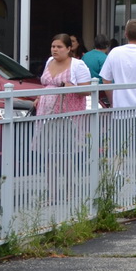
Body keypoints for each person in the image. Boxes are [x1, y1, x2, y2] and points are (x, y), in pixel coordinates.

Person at [34, 34, 93, 202]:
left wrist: (69, 87)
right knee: (48, 155)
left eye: (59, 47)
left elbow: (87, 90)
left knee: (65, 155)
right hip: (47, 115)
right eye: (53, 46)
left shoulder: (78, 65)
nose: (55, 50)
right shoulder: (48, 62)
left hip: (66, 116)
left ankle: (69, 190)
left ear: (69, 49)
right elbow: (46, 85)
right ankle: (51, 193)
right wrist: (39, 98)